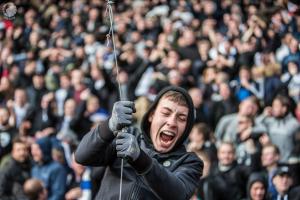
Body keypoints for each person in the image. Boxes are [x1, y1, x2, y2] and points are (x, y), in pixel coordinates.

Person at [75, 86, 203, 199]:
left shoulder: (190, 162)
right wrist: (109, 125)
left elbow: (178, 195)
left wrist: (140, 158)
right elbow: (82, 156)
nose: (172, 122)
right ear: (151, 116)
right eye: (165, 113)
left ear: (187, 127)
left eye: (181, 118)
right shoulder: (127, 134)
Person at [31, 136, 67, 200]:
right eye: (32, 149)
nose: (33, 152)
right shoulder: (34, 169)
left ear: (45, 149)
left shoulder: (57, 168)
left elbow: (58, 194)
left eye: (37, 149)